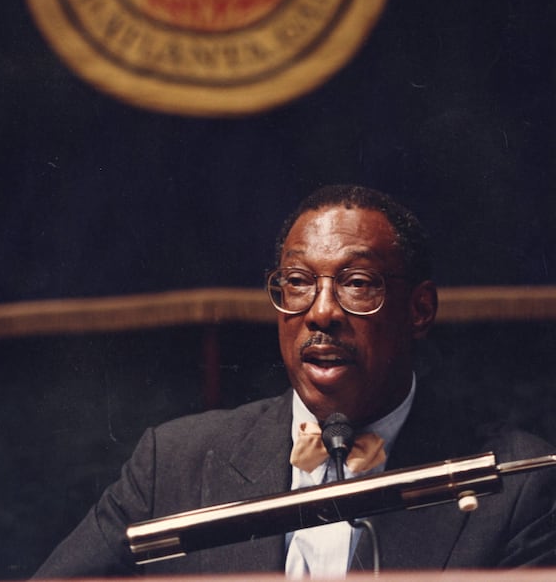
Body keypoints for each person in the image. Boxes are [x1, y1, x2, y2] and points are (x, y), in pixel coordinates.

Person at [32, 184, 556, 577]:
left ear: (419, 310)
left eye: (356, 283)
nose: (321, 312)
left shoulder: (514, 485)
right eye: (298, 283)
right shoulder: (171, 464)